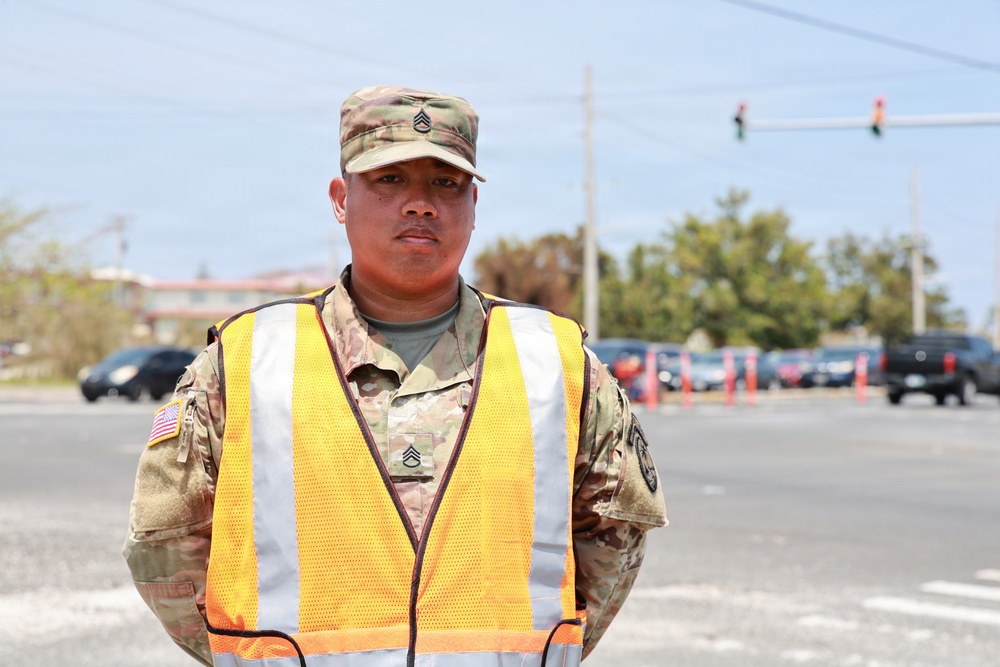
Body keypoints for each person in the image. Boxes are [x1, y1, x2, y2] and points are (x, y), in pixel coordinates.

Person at [124, 85, 667, 667]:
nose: (420, 203)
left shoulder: (555, 362)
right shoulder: (246, 361)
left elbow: (613, 543)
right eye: (389, 179)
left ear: (473, 206)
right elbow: (167, 553)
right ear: (340, 198)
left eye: (445, 182)